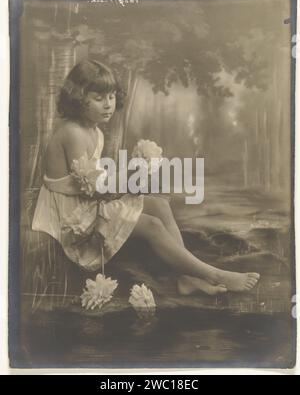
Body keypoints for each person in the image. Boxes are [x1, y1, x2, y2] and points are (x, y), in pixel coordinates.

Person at [32, 59, 260, 296]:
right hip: (71, 216)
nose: (108, 105)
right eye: (98, 98)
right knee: (152, 225)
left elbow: (96, 183)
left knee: (158, 203)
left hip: (87, 200)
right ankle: (213, 274)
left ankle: (187, 277)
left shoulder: (95, 131)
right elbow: (93, 187)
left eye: (110, 97)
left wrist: (135, 176)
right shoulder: (73, 133)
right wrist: (131, 173)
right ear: (78, 99)